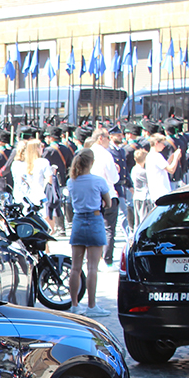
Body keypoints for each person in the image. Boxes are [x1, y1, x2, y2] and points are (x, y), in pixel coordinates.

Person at [66, 149, 112, 318]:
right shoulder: (98, 181)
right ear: (91, 162)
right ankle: (92, 305)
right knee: (92, 266)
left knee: (75, 267)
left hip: (78, 220)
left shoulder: (72, 181)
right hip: (94, 219)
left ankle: (74, 304)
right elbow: (108, 202)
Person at [88, 127, 121, 268]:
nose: (109, 140)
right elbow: (114, 178)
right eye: (107, 137)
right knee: (108, 229)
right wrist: (117, 170)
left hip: (91, 195)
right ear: (100, 138)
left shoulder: (86, 153)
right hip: (106, 194)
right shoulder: (106, 154)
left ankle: (95, 259)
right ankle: (107, 260)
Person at [11, 138, 51, 211]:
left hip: (22, 196)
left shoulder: (16, 164)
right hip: (36, 197)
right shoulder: (41, 162)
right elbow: (49, 180)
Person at [145, 132, 181, 202]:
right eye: (162, 143)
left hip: (155, 193)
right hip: (161, 192)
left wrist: (171, 158)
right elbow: (171, 170)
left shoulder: (150, 155)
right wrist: (176, 157)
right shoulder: (156, 156)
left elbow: (164, 166)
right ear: (156, 143)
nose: (164, 146)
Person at [130, 148, 150, 232]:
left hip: (137, 196)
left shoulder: (134, 169)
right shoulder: (143, 172)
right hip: (144, 197)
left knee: (137, 221)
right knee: (144, 219)